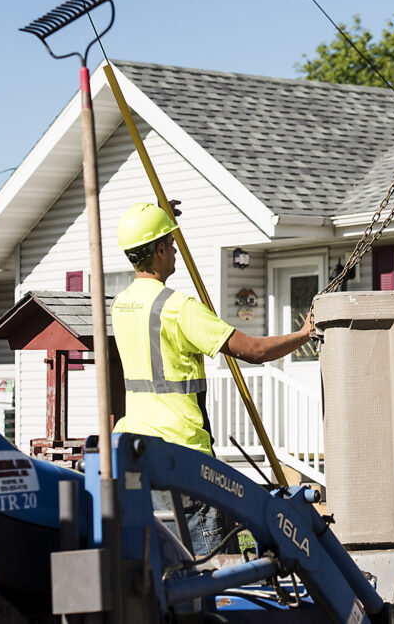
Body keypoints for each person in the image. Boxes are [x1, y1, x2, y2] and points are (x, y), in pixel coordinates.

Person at [111, 202, 314, 554]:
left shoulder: (121, 305)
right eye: (170, 244)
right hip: (185, 458)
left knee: (167, 564)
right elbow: (253, 350)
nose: (175, 250)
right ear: (159, 250)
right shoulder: (178, 308)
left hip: (140, 453)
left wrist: (160, 217)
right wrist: (304, 334)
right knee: (213, 567)